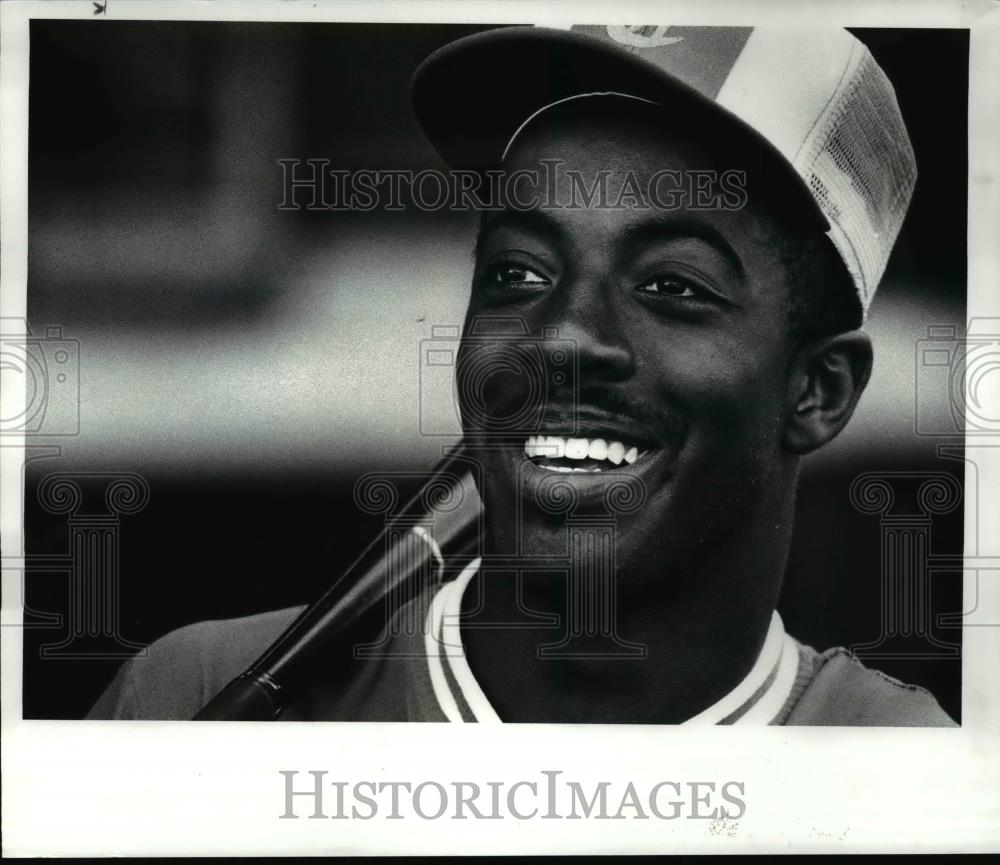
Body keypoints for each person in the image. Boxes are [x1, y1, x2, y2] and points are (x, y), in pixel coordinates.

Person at [88, 24, 955, 725]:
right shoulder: (193, 694)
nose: (563, 337)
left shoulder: (901, 775)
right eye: (519, 273)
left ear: (821, 389)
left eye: (672, 286)